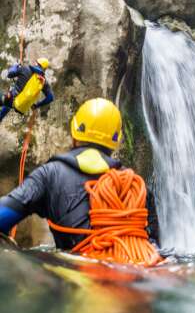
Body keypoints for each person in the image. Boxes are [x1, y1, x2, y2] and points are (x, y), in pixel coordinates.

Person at [0, 98, 159, 250]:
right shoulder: (136, 186)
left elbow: (3, 216)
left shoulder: (50, 174)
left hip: (74, 271)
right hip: (131, 271)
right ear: (115, 143)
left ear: (74, 133)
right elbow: (153, 247)